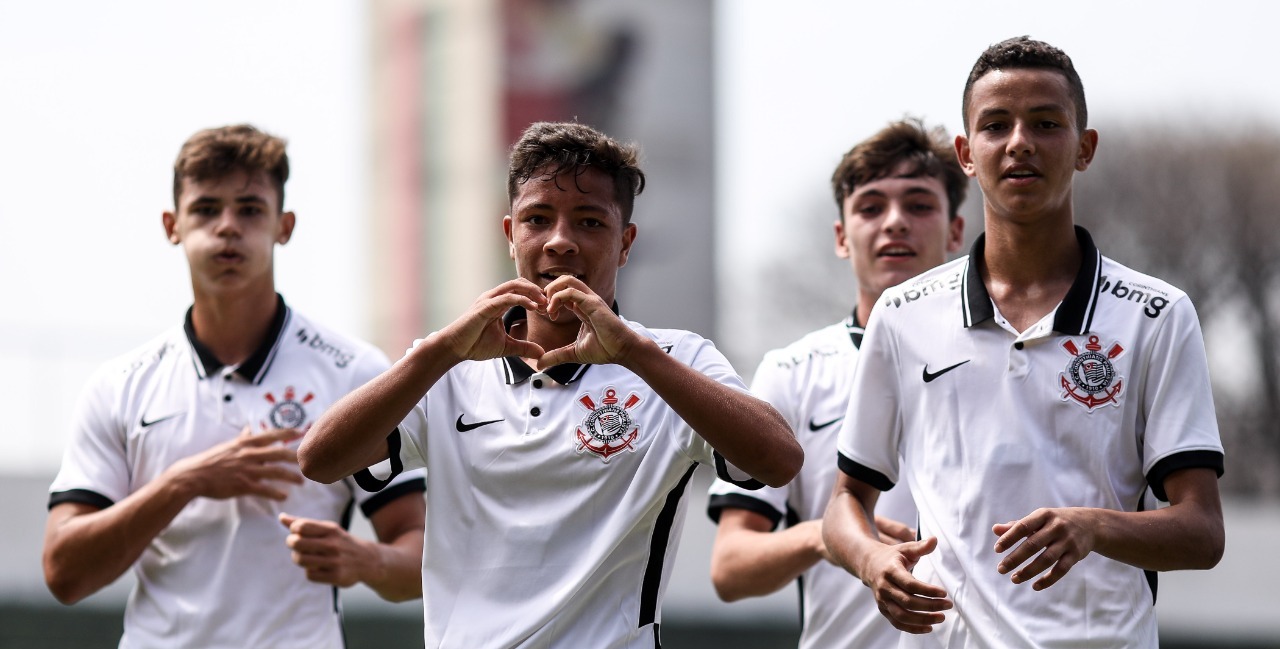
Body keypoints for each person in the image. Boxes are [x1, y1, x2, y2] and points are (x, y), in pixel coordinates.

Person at [298, 121, 803, 649]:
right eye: (538, 219)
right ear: (510, 234)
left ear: (625, 243)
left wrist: (633, 353)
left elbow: (779, 460)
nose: (560, 241)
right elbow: (319, 459)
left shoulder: (674, 359)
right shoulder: (448, 364)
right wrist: (440, 351)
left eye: (589, 222)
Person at [822, 37, 1226, 648]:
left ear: (1084, 147)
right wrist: (871, 561)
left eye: (1046, 123)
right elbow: (845, 503)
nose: (1019, 143)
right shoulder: (903, 315)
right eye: (995, 125)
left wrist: (1094, 527)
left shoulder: (1157, 314)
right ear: (965, 152)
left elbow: (1202, 532)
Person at [42, 125, 426, 649]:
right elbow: (64, 573)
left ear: (283, 226)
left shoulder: (354, 371)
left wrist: (368, 561)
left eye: (249, 209)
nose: (227, 227)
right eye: (205, 209)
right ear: (171, 225)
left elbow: (421, 552)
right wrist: (184, 482)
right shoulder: (119, 386)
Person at [706, 118, 966, 649]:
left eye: (919, 205)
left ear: (956, 230)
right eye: (871, 207)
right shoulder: (793, 371)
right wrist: (830, 537)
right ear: (842, 237)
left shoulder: (1011, 359)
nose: (894, 222)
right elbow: (729, 568)